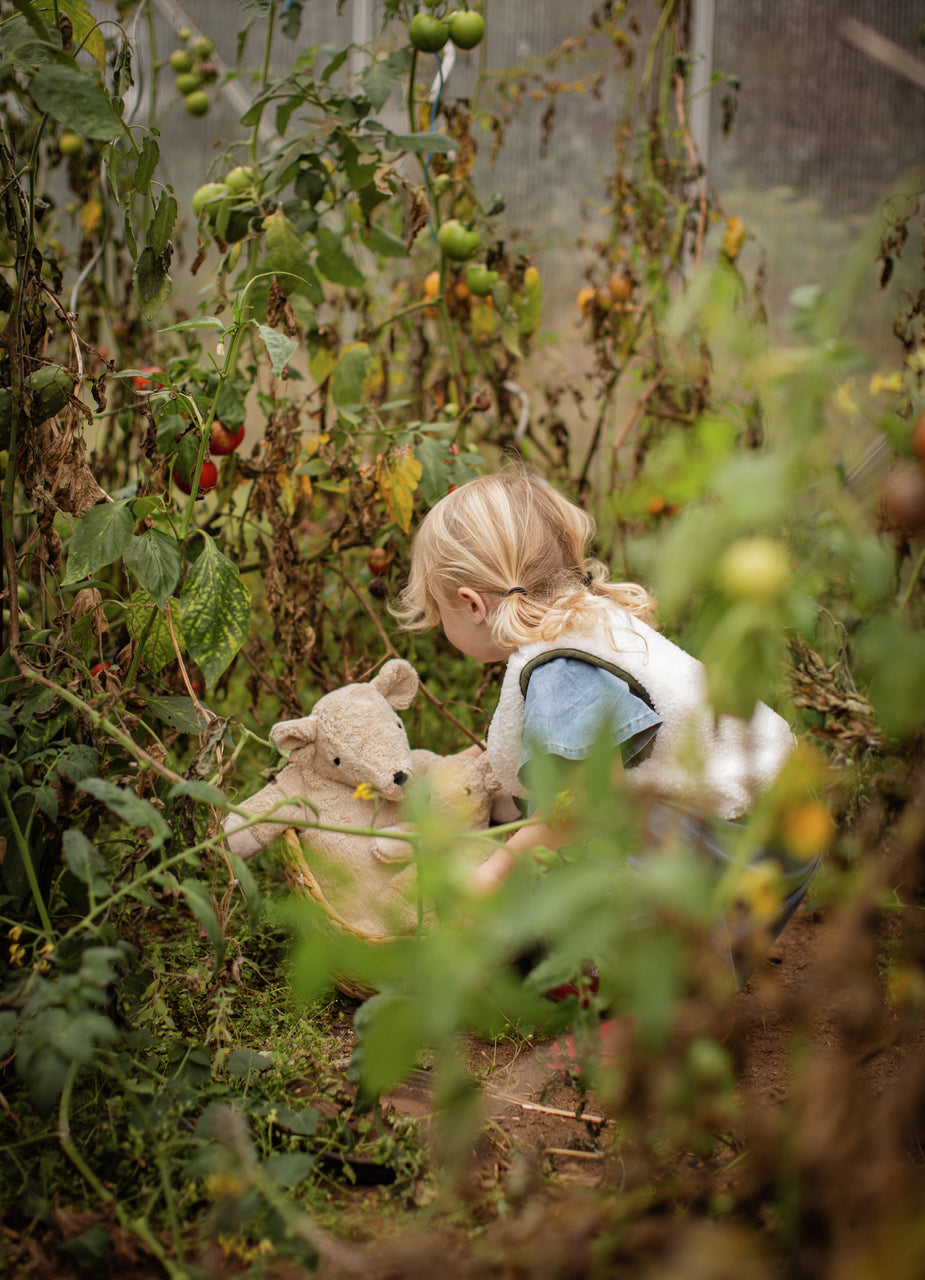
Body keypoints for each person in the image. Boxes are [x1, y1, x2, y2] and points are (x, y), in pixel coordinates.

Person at [392, 465, 820, 986]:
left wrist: (491, 874)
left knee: (594, 845)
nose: (442, 627)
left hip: (744, 841)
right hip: (778, 825)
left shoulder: (559, 670)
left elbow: (581, 806)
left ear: (471, 605)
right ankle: (663, 970)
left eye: (440, 614)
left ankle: (691, 1000)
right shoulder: (580, 620)